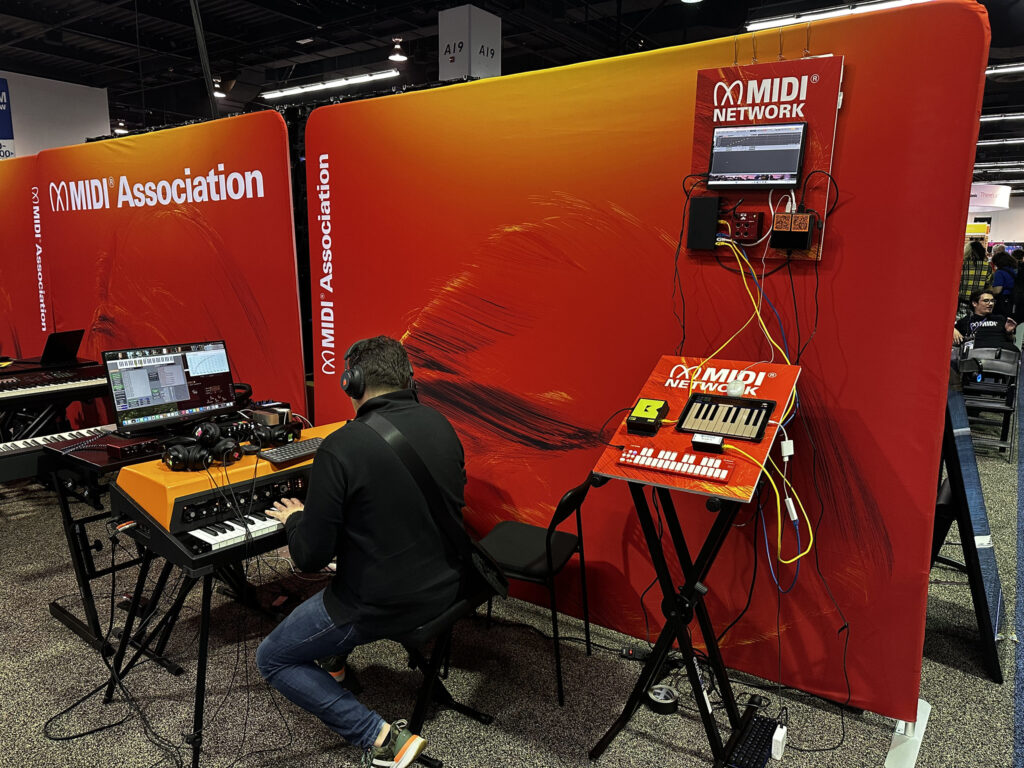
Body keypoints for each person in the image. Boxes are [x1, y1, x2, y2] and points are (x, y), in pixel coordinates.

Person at [257, 336, 467, 768]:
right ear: (407, 380)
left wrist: (294, 518)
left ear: (351, 384)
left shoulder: (342, 446)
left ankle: (380, 737)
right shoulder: (441, 424)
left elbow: (309, 558)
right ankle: (334, 662)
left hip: (380, 605)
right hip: (448, 585)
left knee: (272, 657)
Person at [953, 288, 1017, 351]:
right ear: (975, 303)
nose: (991, 304)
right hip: (976, 355)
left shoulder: (1000, 319)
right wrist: (953, 329)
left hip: (1000, 353)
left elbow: (1012, 339)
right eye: (986, 301)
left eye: (992, 301)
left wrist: (1009, 333)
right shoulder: (966, 321)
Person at [958, 240, 991, 314]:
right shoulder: (987, 266)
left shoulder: (962, 264)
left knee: (962, 322)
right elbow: (988, 283)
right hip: (979, 301)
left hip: (963, 300)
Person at [990, 251, 1017, 317]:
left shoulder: (999, 272)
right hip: (1014, 299)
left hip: (1003, 300)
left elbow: (997, 290)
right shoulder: (1015, 270)